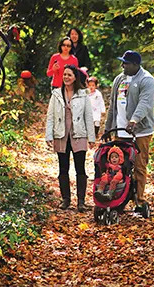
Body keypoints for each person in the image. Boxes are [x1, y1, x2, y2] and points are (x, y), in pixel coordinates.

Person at [105, 50, 154, 209]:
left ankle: (139, 201)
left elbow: (145, 103)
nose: (122, 65)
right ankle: (119, 199)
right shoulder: (119, 79)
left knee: (139, 166)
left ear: (135, 65)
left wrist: (134, 120)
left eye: (126, 63)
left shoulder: (146, 80)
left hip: (140, 131)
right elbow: (112, 105)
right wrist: (108, 127)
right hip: (121, 131)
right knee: (119, 166)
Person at [45, 64, 96, 212]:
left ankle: (81, 201)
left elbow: (88, 116)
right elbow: (50, 116)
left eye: (69, 75)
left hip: (78, 134)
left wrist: (91, 137)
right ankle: (65, 199)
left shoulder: (83, 94)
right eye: (65, 74)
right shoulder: (56, 94)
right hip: (61, 134)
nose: (66, 77)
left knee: (80, 168)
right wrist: (49, 135)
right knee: (63, 168)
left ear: (75, 78)